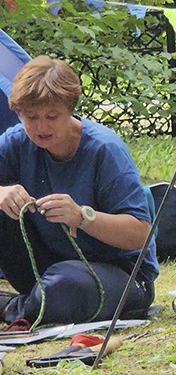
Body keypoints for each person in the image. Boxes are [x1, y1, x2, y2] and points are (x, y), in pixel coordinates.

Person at [0, 56, 158, 328]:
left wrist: (82, 217)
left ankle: (13, 306)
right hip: (46, 267)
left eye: (52, 116)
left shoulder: (104, 150)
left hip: (119, 274)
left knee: (66, 285)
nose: (41, 127)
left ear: (70, 110)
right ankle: (33, 302)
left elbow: (139, 234)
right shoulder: (17, 142)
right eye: (31, 117)